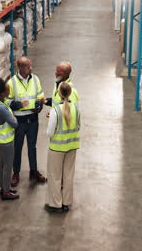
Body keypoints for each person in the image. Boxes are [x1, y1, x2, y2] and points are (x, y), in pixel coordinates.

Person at [7, 56, 46, 187]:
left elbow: (40, 95)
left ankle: (33, 171)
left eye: (30, 65)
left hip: (33, 119)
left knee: (32, 146)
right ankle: (16, 173)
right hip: (19, 120)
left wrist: (40, 106)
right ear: (21, 68)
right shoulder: (11, 82)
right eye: (29, 66)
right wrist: (19, 105)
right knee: (17, 147)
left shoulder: (35, 79)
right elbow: (7, 102)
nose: (31, 68)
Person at [45, 82, 80, 213]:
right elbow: (78, 126)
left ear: (59, 94)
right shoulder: (76, 107)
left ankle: (55, 204)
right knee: (68, 175)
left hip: (57, 148)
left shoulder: (55, 110)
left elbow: (50, 132)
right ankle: (66, 203)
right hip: (72, 146)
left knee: (55, 176)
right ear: (70, 93)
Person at [0, 78, 19, 200]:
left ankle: (4, 187)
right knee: (8, 166)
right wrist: (14, 116)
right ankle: (6, 192)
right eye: (7, 88)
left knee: (1, 165)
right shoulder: (2, 108)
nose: (9, 89)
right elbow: (14, 123)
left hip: (1, 141)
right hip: (6, 142)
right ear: (3, 92)